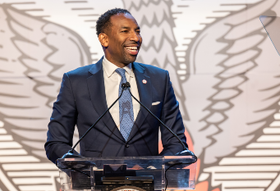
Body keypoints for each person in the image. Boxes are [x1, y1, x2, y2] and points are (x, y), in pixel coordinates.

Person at [45, 8, 187, 163]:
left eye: (137, 31)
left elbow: (176, 142)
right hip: (95, 184)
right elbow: (56, 143)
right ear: (104, 39)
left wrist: (154, 168)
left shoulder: (159, 79)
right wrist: (82, 169)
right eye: (125, 31)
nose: (136, 37)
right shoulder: (75, 82)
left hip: (146, 184)